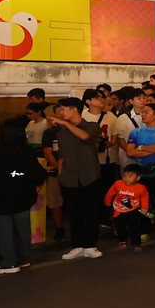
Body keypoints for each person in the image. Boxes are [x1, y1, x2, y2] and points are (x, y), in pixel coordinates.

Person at [0, 118, 45, 275]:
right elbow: (38, 175)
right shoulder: (26, 152)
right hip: (22, 198)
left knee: (3, 232)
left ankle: (9, 263)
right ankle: (23, 259)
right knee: (23, 230)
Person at [48, 98, 105, 261]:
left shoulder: (92, 126)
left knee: (91, 211)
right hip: (69, 177)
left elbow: (85, 137)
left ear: (74, 110)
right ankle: (77, 245)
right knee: (74, 213)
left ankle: (90, 245)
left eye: (63, 109)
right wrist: (60, 173)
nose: (60, 113)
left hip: (90, 176)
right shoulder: (61, 133)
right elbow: (62, 155)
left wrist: (66, 124)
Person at [125, 103, 155, 234]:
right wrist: (153, 149)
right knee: (143, 204)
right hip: (141, 175)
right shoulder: (136, 132)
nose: (143, 114)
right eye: (142, 112)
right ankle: (144, 230)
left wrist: (140, 148)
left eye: (147, 112)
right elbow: (130, 152)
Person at [105, 164, 152, 251]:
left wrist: (145, 208)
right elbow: (111, 192)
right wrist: (107, 202)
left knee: (134, 226)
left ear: (137, 178)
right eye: (125, 176)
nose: (126, 178)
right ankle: (122, 240)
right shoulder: (118, 184)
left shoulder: (141, 188)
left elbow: (145, 198)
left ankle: (136, 243)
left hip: (133, 210)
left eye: (130, 176)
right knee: (119, 226)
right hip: (118, 210)